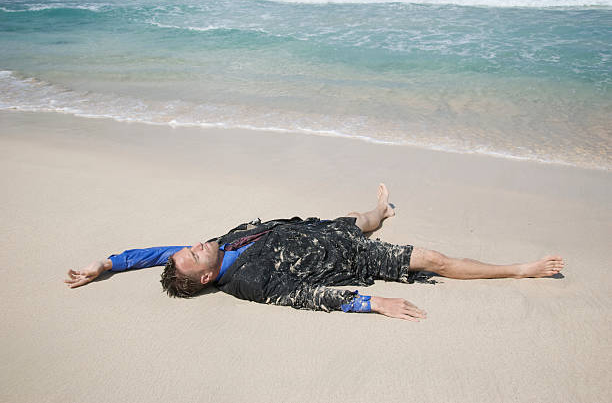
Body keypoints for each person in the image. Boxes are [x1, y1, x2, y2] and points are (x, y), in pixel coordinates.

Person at [65, 184, 564, 321]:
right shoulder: (250, 283)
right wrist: (371, 303)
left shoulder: (220, 247)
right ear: (203, 280)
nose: (194, 244)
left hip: (322, 229)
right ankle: (519, 269)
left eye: (189, 247)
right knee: (429, 258)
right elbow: (312, 297)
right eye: (193, 254)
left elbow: (158, 254)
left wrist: (107, 263)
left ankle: (380, 208)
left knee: (363, 219)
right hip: (350, 260)